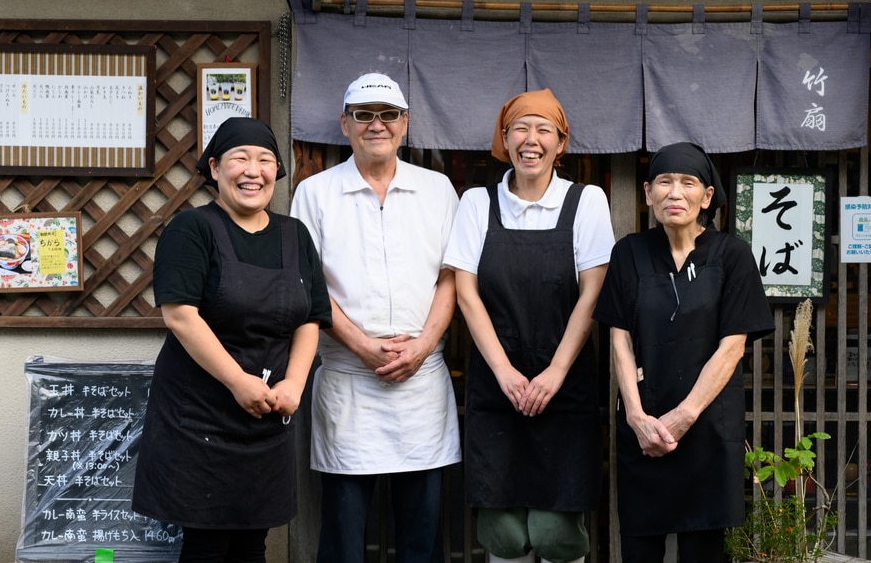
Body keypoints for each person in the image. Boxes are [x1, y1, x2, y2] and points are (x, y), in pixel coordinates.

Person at [133, 117, 332, 563]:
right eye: (240, 158)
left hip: (268, 412)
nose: (252, 170)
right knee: (207, 543)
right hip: (201, 414)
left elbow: (311, 318)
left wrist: (294, 385)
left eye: (264, 160)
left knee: (252, 543)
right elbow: (180, 316)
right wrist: (238, 382)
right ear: (216, 168)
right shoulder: (192, 230)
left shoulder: (294, 235)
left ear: (276, 172)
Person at [290, 73, 462, 563]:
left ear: (404, 124)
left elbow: (451, 278)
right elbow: (310, 285)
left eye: (388, 115)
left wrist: (424, 345)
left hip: (421, 380)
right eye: (363, 115)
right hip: (348, 379)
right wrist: (363, 346)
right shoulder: (315, 193)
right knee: (344, 534)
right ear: (345, 124)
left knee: (422, 533)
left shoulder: (437, 189)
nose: (376, 125)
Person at [444, 88, 615, 563]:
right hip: (498, 386)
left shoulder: (587, 201)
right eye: (520, 128)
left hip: (565, 385)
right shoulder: (478, 203)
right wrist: (503, 372)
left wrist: (555, 374)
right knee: (501, 531)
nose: (531, 139)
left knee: (555, 531)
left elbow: (592, 293)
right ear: (504, 138)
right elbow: (466, 293)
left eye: (545, 130)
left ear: (561, 143)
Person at [593, 142, 775, 563]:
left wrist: (684, 416)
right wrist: (637, 418)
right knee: (640, 548)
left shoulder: (732, 255)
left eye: (688, 183)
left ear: (707, 196)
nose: (675, 193)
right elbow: (619, 339)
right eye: (664, 182)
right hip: (645, 428)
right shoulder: (629, 253)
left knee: (704, 552)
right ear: (647, 193)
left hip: (707, 429)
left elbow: (733, 345)